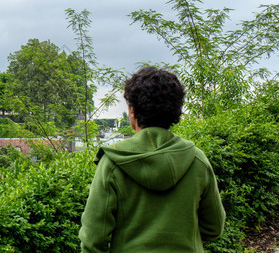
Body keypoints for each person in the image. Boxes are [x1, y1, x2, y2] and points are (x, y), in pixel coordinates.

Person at [79, 67, 225, 252]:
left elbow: (93, 240)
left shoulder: (113, 164)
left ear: (132, 111)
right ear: (176, 111)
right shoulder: (197, 160)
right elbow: (214, 228)